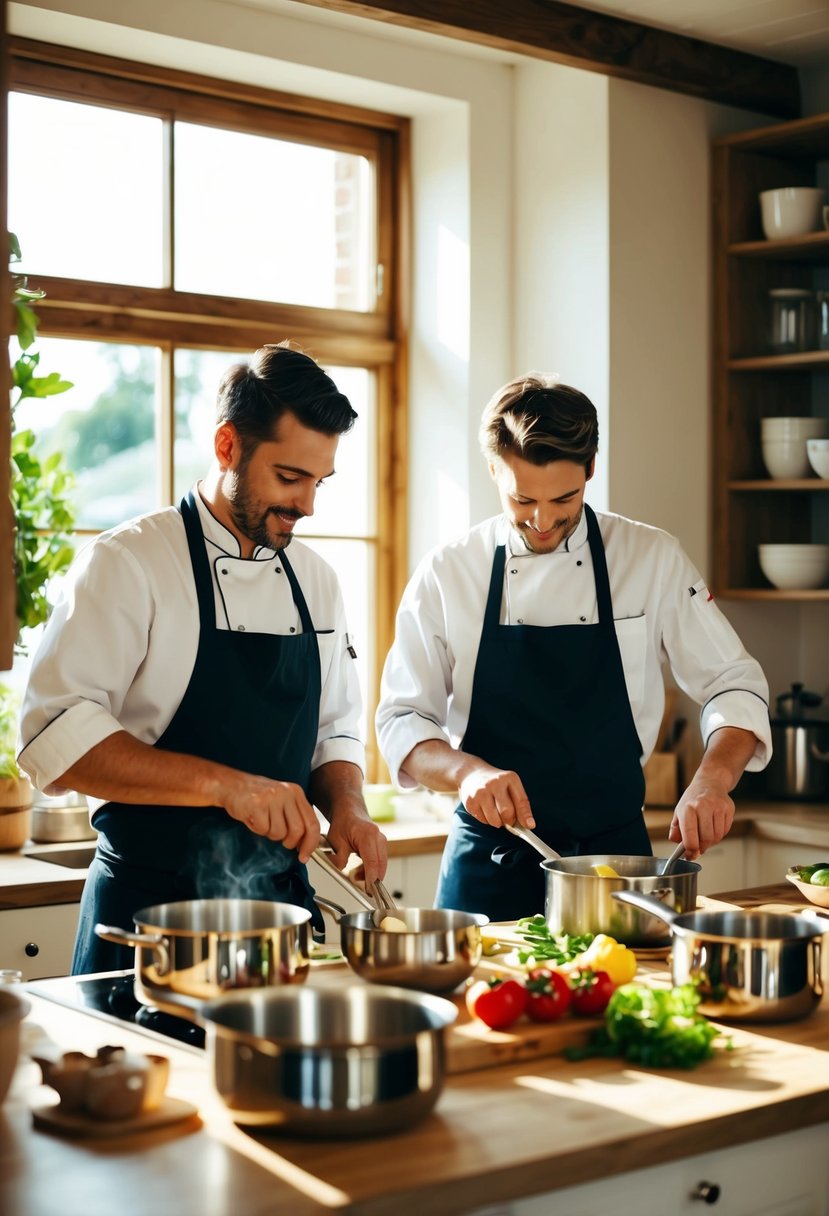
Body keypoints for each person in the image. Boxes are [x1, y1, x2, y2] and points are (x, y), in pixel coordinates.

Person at [18, 342, 387, 972]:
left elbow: (333, 733)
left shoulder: (317, 580)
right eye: (290, 477)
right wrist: (225, 787)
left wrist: (347, 806)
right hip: (148, 924)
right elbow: (55, 744)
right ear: (228, 447)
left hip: (279, 923)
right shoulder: (129, 562)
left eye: (319, 481)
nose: (308, 505)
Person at [375, 374, 771, 923]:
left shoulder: (650, 557)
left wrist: (712, 780)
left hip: (615, 867)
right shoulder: (448, 571)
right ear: (493, 470)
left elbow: (733, 683)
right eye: (522, 499)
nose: (543, 521)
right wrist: (467, 774)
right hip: (489, 865)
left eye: (564, 498)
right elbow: (402, 720)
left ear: (591, 468)